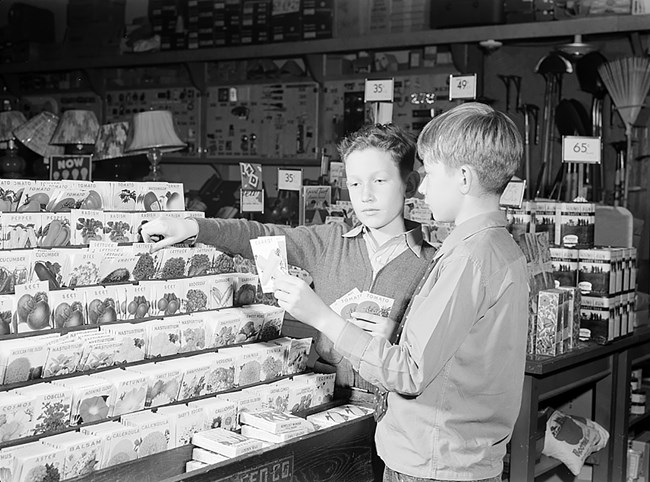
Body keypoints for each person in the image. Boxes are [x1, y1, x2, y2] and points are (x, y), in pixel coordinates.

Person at [272, 102, 529, 481]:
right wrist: (395, 333)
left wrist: (321, 317)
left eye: (429, 174)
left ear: (462, 178)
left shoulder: (466, 260)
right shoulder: (498, 248)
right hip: (462, 454)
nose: (421, 188)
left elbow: (409, 373)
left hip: (433, 462)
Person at [140, 123, 438, 389]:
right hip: (330, 402)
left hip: (394, 418)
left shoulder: (434, 265)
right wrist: (192, 226)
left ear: (409, 185)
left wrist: (398, 336)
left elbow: (435, 361)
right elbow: (255, 233)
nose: (366, 196)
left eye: (380, 181)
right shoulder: (328, 242)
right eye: (355, 183)